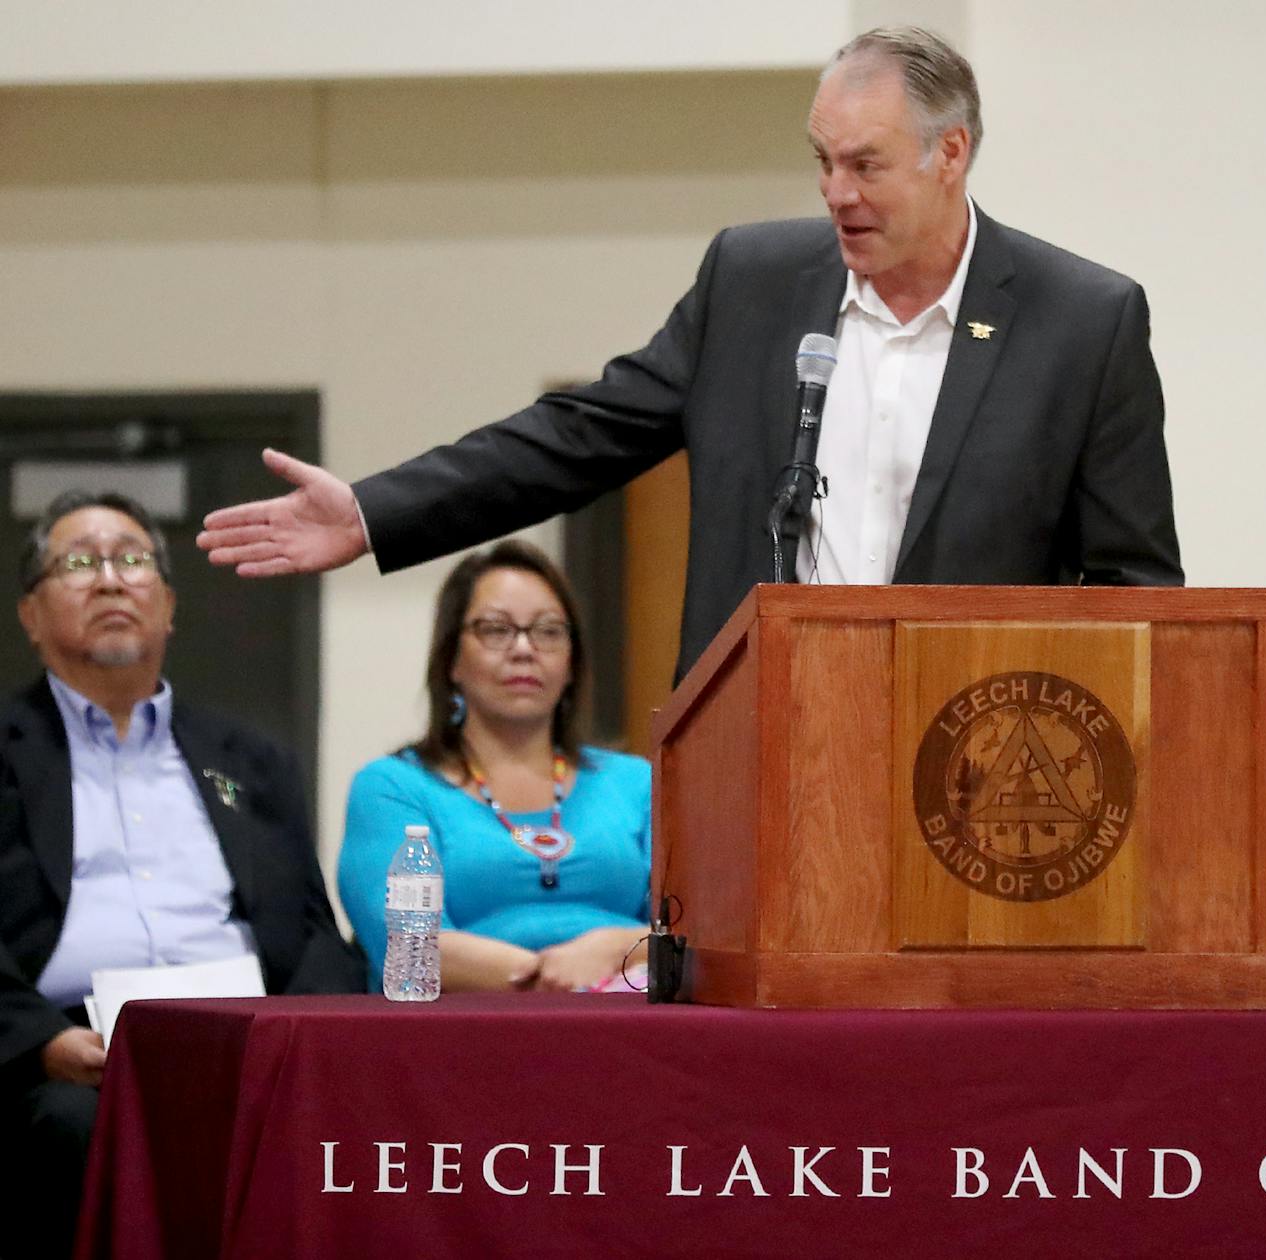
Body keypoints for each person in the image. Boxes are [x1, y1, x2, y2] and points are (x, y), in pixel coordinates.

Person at [197, 26, 1183, 682]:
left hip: (976, 765)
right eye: (822, 161)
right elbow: (575, 435)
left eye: (865, 165)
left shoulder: (1080, 323)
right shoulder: (753, 283)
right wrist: (376, 513)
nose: (835, 193)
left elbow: (1135, 589)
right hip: (759, 744)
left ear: (951, 153)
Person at [0, 490, 364, 1260]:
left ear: (167, 605)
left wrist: (291, 1042)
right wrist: (41, 1044)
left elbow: (310, 930)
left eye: (133, 561)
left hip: (243, 1044)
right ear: (30, 615)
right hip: (69, 1059)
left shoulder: (251, 760)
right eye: (78, 563)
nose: (110, 580)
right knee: (74, 1129)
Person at [338, 540, 651, 992]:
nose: (524, 649)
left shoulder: (637, 782)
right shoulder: (394, 787)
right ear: (451, 660)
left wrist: (608, 951)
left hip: (631, 1025)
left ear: (571, 662)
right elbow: (409, 947)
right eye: (496, 630)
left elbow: (700, 937)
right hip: (460, 1034)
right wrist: (553, 980)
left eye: (547, 631)